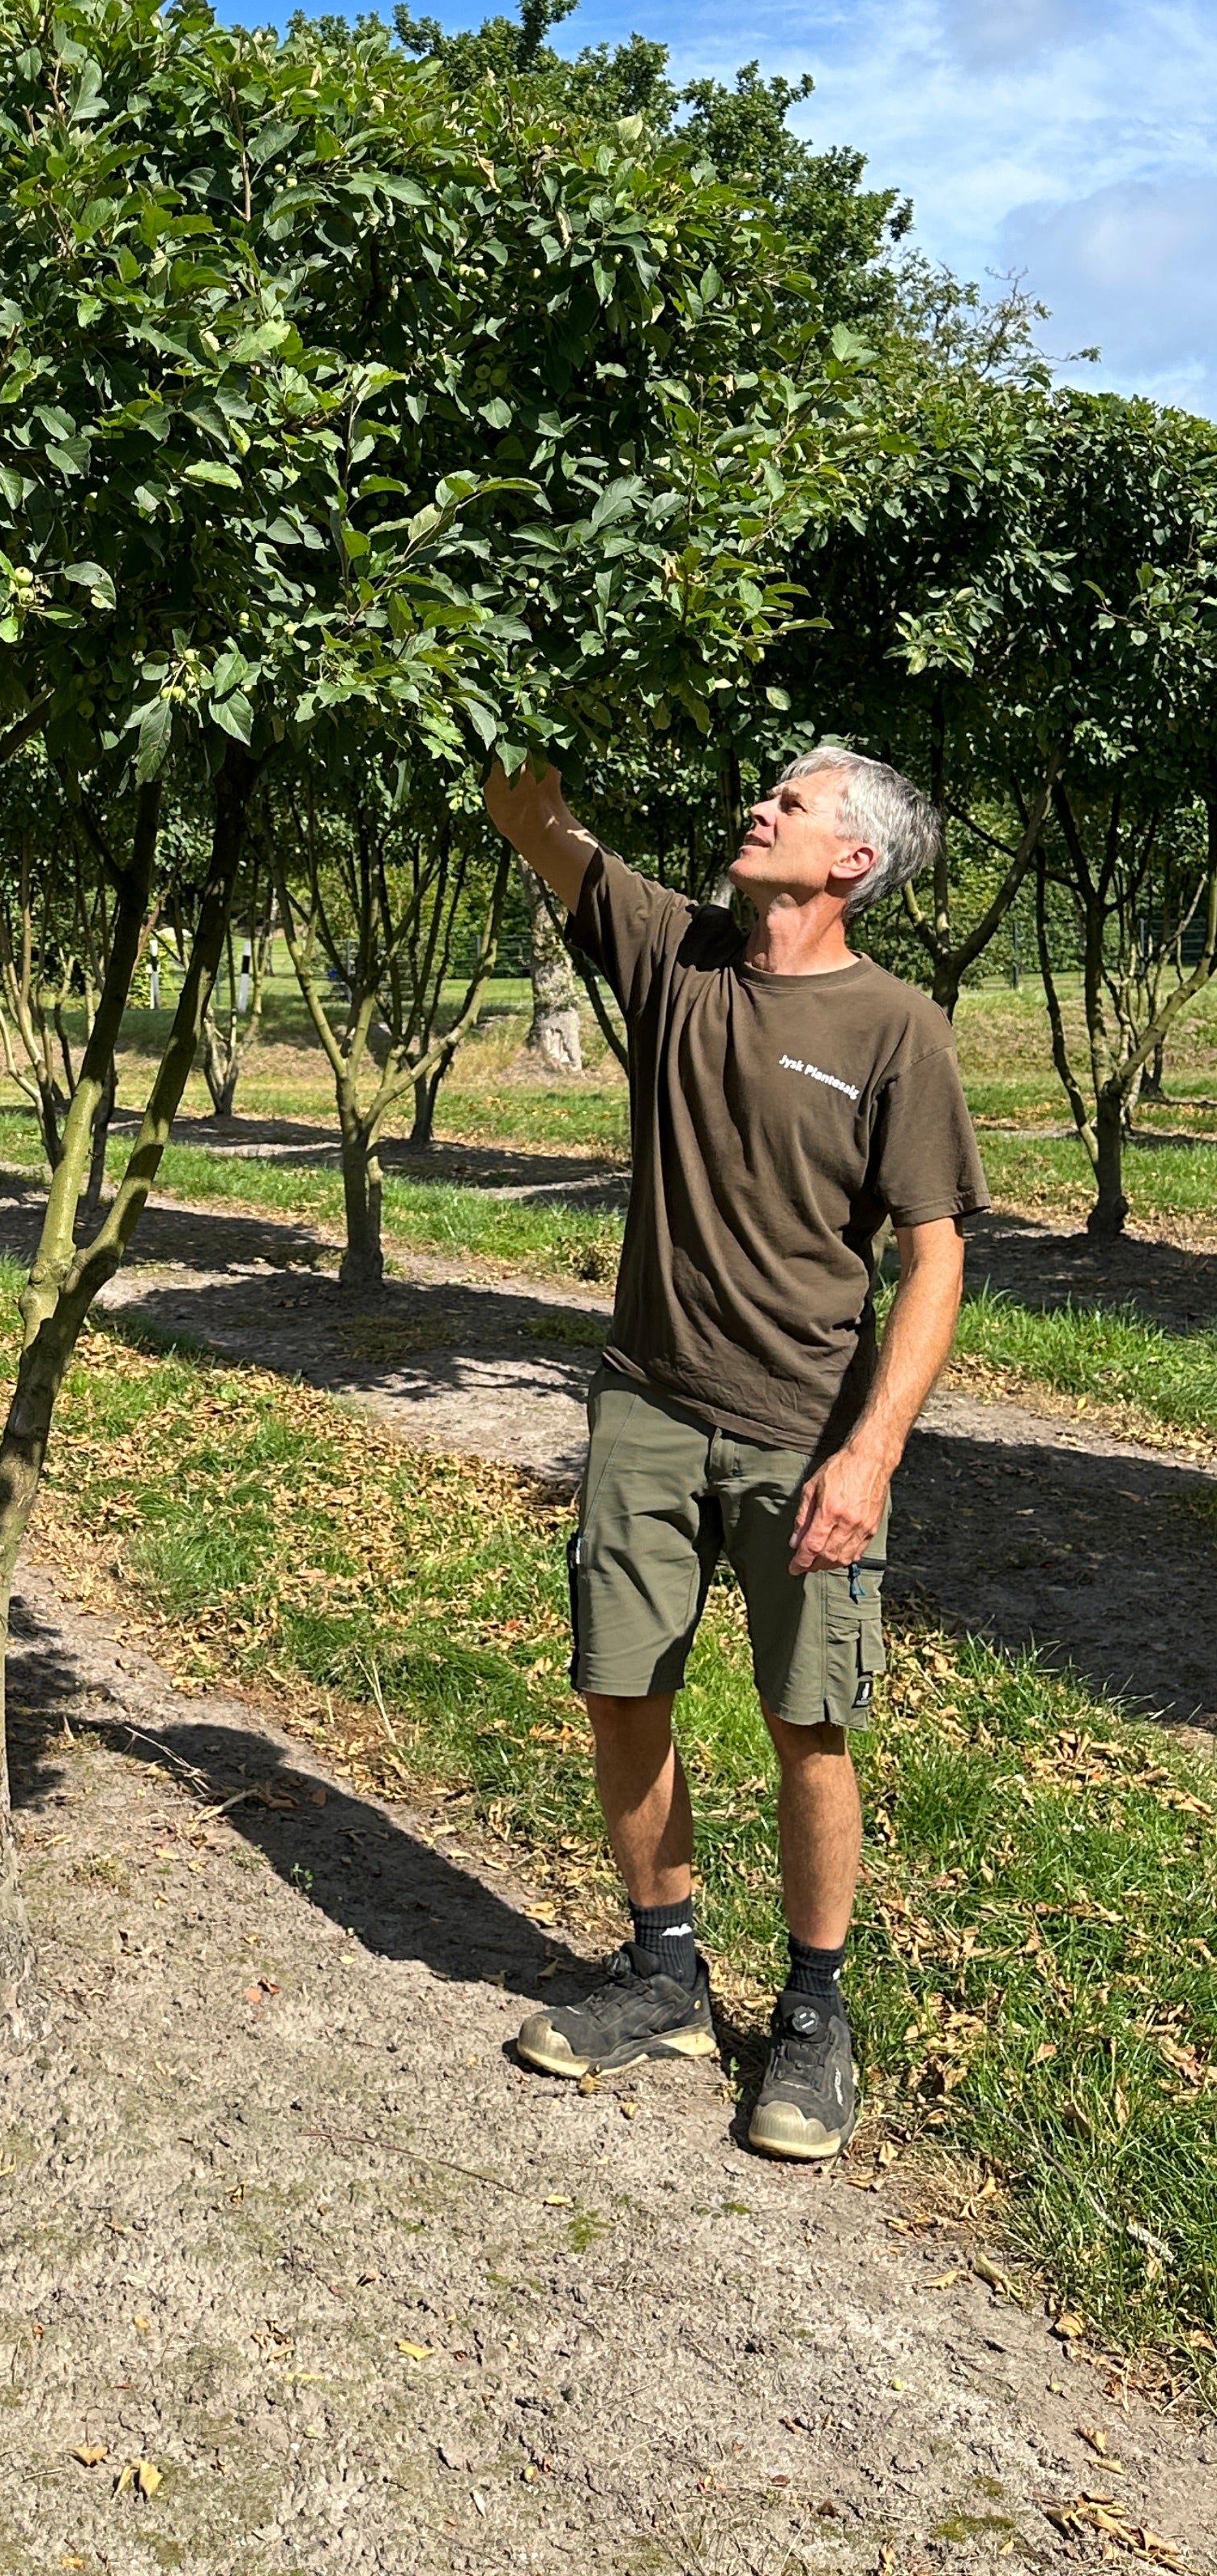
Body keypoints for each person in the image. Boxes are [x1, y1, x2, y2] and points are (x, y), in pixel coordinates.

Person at [482, 746, 986, 2160]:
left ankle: (815, 2013)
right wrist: (516, 678)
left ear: (852, 864)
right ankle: (667, 1970)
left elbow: (934, 1260)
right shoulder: (674, 953)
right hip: (648, 1401)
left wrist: (872, 1452)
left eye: (797, 801)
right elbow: (530, 816)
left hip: (806, 1426)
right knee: (619, 1686)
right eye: (766, 788)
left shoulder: (900, 1029)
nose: (760, 805)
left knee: (804, 1720)